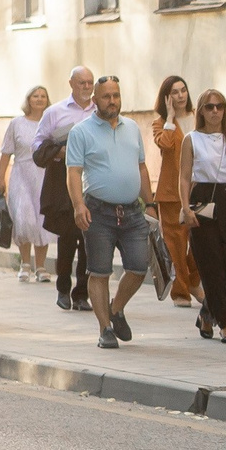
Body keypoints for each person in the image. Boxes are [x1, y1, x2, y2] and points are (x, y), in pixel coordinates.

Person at [62, 75, 156, 350]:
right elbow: (74, 173)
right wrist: (79, 205)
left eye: (116, 95)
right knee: (99, 272)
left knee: (139, 267)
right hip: (98, 212)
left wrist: (149, 203)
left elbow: (141, 167)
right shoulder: (81, 132)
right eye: (106, 96)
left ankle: (116, 308)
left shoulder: (132, 128)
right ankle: (105, 329)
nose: (112, 101)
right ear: (95, 100)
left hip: (132, 212)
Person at [181, 90, 226, 343]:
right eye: (209, 107)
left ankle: (206, 314)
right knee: (210, 262)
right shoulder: (192, 139)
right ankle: (224, 322)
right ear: (201, 110)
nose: (215, 111)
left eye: (219, 106)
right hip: (203, 200)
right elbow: (185, 177)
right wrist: (185, 208)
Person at [38, 67, 96, 310]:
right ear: (71, 83)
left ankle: (82, 293)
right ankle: (63, 287)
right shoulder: (55, 112)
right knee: (68, 237)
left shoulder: (100, 112)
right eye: (81, 82)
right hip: (64, 183)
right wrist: (60, 151)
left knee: (89, 240)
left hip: (93, 181)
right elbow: (38, 146)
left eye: (89, 82)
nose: (86, 87)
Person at [150, 75, 203, 310]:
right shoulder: (160, 123)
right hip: (171, 192)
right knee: (176, 244)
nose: (181, 96)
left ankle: (193, 281)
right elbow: (166, 145)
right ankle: (181, 290)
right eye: (175, 92)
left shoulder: (199, 118)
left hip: (199, 190)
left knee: (202, 241)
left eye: (183, 90)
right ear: (167, 97)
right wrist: (170, 118)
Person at [0, 86, 52, 283]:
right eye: (35, 96)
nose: (39, 99)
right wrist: (0, 179)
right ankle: (25, 264)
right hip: (21, 174)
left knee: (42, 220)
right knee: (24, 219)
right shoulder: (16, 123)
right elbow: (5, 152)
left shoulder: (50, 123)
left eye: (43, 96)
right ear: (28, 100)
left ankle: (41, 267)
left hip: (44, 175)